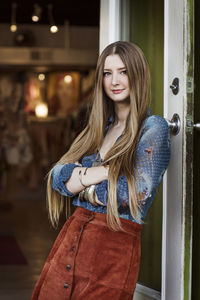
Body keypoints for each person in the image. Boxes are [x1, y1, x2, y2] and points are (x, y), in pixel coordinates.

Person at [31, 41, 170, 300]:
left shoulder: (152, 128)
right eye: (107, 73)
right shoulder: (98, 128)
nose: (114, 81)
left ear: (137, 75)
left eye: (123, 71)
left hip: (113, 249)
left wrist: (81, 180)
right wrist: (102, 173)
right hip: (71, 241)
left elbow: (129, 196)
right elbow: (58, 178)